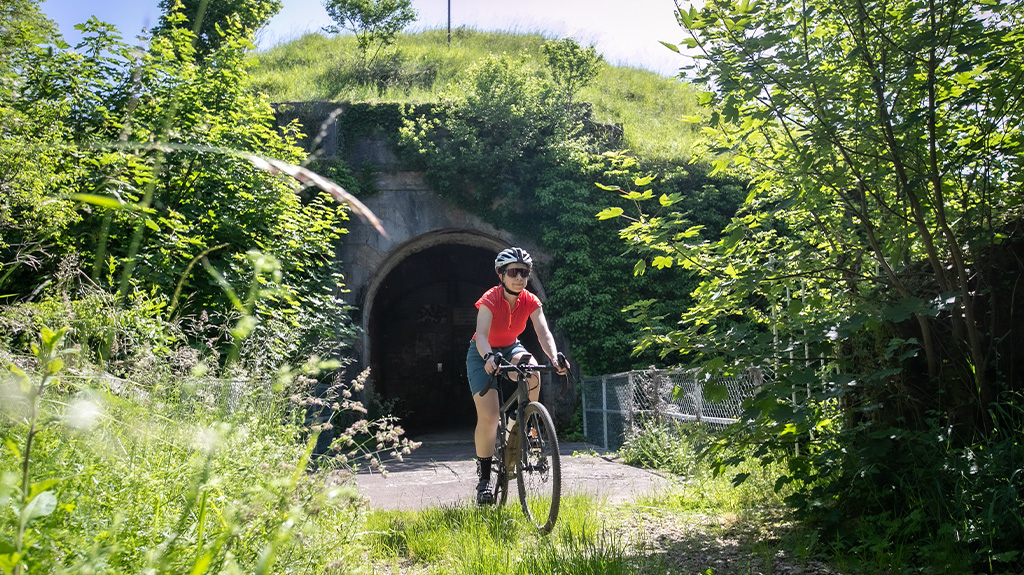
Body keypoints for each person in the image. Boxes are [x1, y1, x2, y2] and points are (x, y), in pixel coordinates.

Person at [466, 247, 569, 505]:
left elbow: (543, 333)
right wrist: (489, 358)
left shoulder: (531, 301)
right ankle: (484, 480)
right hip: (482, 352)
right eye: (513, 272)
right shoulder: (491, 298)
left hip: (512, 347)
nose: (519, 277)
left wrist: (555, 357)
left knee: (532, 370)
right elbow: (481, 335)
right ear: (501, 275)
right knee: (489, 416)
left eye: (524, 273)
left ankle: (521, 421)